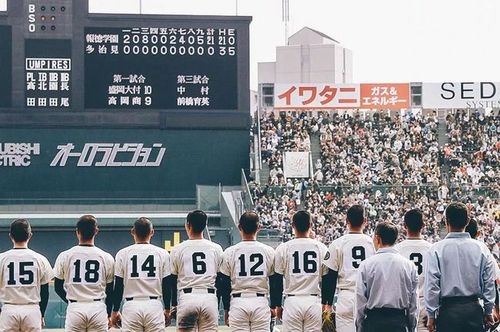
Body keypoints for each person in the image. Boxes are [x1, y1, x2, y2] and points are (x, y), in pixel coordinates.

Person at [424, 202, 496, 332]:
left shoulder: (436, 250)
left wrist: (431, 315)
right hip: (473, 311)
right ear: (468, 221)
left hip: (447, 313)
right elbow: (489, 283)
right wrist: (488, 311)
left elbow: (432, 285)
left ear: (446, 221)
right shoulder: (481, 249)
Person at [54, 215, 115, 332]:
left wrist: (70, 301)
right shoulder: (106, 257)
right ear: (96, 231)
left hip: (75, 306)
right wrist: (108, 314)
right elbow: (110, 291)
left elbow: (57, 287)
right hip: (97, 307)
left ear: (77, 232)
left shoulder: (65, 255)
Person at [111, 217, 173, 331]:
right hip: (154, 305)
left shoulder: (122, 253)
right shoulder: (163, 253)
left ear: (133, 231)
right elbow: (167, 285)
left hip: (131, 306)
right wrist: (167, 309)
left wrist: (115, 311)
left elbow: (118, 286)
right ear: (152, 232)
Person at [355, 222, 418, 332]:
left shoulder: (366, 264)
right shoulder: (409, 265)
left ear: (377, 238)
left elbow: (360, 301)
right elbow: (413, 304)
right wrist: (412, 327)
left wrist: (359, 327)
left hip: (374, 321)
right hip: (399, 321)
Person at [219, 211, 277, 331]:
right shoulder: (269, 251)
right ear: (259, 227)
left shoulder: (230, 252)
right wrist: (274, 305)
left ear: (239, 227)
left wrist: (226, 309)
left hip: (238, 301)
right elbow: (274, 281)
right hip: (260, 301)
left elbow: (224, 284)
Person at [274, 210, 329, 332]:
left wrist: (277, 305)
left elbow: (277, 280)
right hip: (313, 300)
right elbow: (326, 279)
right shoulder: (322, 247)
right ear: (310, 225)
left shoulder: (283, 248)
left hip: (292, 300)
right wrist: (326, 303)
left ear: (293, 225)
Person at [323, 204, 375, 332]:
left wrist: (327, 304)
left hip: (346, 296)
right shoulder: (373, 243)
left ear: (347, 221)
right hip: (368, 296)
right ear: (365, 221)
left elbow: (330, 276)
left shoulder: (337, 243)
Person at [170, 210, 224, 331]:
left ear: (188, 225)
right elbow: (220, 280)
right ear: (205, 225)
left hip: (187, 297)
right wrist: (217, 301)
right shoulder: (216, 248)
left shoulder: (177, 249)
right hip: (209, 297)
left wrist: (174, 305)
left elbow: (172, 280)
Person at [0, 219, 53, 332]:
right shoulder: (40, 259)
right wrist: (42, 314)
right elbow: (44, 292)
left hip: (9, 309)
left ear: (10, 236)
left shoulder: (1, 259)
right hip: (32, 310)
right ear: (30, 235)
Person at [395, 209, 432, 332]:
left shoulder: (396, 250)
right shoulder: (432, 249)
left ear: (404, 226)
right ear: (423, 225)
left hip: (403, 305)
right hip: (427, 303)